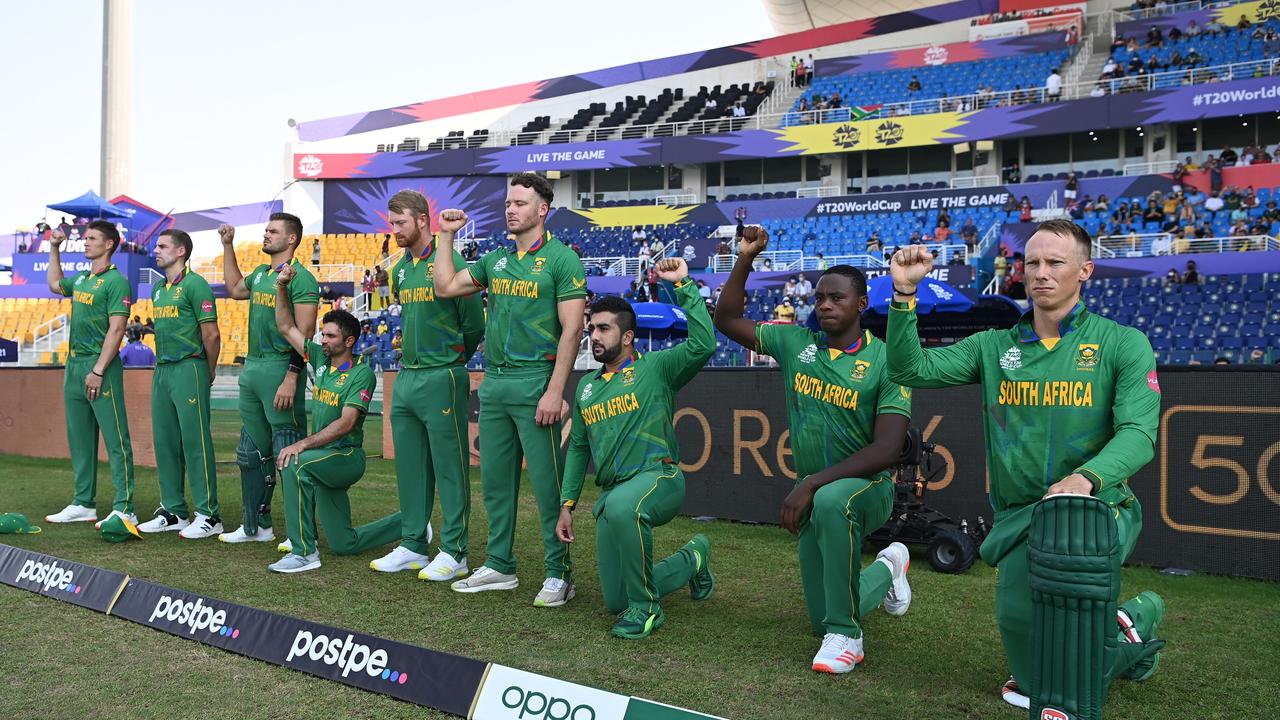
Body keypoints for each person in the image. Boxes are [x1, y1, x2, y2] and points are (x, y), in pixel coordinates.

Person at [885, 220, 1165, 710]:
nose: (1040, 273)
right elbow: (910, 370)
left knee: (1074, 648)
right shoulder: (993, 346)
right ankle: (1127, 629)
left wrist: (1086, 479)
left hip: (1096, 512)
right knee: (1027, 652)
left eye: (1055, 262)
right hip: (1020, 515)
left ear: (1084, 271)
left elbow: (1139, 434)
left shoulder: (1123, 343)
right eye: (1031, 262)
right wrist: (904, 294)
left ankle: (1125, 623)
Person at [715, 226, 912, 673]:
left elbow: (888, 447)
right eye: (820, 296)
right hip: (814, 492)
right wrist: (745, 257)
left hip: (867, 488)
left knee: (829, 506)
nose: (824, 304)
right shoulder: (796, 344)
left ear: (861, 304)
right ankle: (889, 568)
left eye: (837, 297)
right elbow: (726, 320)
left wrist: (812, 484)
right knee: (820, 615)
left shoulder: (888, 360)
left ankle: (848, 637)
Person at [432, 173, 587, 607]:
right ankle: (500, 565)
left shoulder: (562, 260)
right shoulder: (496, 260)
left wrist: (556, 391)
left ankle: (560, 575)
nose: (510, 209)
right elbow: (445, 287)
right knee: (496, 485)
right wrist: (446, 236)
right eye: (507, 203)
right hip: (495, 383)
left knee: (548, 487)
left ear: (542, 209)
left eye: (520, 203)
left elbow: (572, 331)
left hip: (537, 381)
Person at [556, 258, 716, 638]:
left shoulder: (657, 368)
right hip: (614, 497)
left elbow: (704, 343)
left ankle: (647, 609)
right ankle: (693, 558)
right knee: (615, 600)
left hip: (659, 477)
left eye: (603, 328)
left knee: (626, 508)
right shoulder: (586, 387)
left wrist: (684, 286)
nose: (594, 335)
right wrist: (568, 505)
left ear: (627, 337)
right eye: (591, 328)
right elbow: (579, 449)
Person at [368, 190, 485, 579]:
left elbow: (473, 324)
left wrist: (452, 361)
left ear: (422, 220)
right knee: (411, 467)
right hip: (407, 377)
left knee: (450, 467)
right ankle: (413, 543)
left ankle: (455, 551)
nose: (394, 230)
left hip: (442, 374)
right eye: (391, 223)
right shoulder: (401, 269)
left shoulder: (448, 260)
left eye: (400, 223)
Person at [268, 269, 399, 573]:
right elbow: (286, 326)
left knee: (292, 462)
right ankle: (410, 525)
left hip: (346, 456)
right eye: (322, 334)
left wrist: (302, 443)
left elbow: (347, 422)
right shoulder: (320, 360)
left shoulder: (361, 373)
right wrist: (281, 286)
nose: (322, 340)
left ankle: (303, 552)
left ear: (349, 341)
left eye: (330, 336)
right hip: (324, 458)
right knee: (343, 543)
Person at [216, 215, 317, 545]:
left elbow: (304, 335)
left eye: (273, 231)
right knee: (249, 453)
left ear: (291, 239)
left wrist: (292, 376)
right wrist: (228, 245)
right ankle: (255, 526)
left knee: (287, 451)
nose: (266, 234)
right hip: (253, 369)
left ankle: (300, 532)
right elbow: (233, 289)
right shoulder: (261, 274)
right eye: (266, 230)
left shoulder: (302, 278)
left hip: (279, 369)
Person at [43, 222, 138, 527]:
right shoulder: (83, 278)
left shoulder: (116, 282)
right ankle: (83, 503)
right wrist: (54, 248)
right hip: (74, 366)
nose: (85, 243)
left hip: (101, 368)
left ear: (109, 244)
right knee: (80, 438)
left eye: (92, 239)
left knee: (115, 439)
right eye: (85, 238)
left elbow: (117, 328)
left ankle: (125, 506)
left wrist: (98, 370)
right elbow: (54, 284)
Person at [136, 229, 224, 539]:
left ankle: (209, 515)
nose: (156, 251)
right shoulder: (158, 288)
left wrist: (207, 370)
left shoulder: (196, 284)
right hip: (163, 370)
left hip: (190, 367)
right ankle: (173, 510)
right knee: (165, 442)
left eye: (162, 246)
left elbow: (211, 335)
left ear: (181, 251)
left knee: (195, 442)